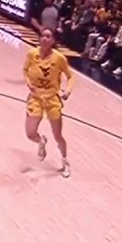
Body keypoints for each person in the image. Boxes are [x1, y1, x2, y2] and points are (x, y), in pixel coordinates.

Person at [23, 28, 75, 177]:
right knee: (30, 133)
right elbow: (25, 70)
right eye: (43, 36)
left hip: (52, 99)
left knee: (58, 135)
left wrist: (68, 90)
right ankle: (41, 141)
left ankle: (65, 162)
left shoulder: (59, 58)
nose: (44, 38)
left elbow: (70, 77)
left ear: (53, 40)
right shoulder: (31, 54)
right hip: (35, 98)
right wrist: (28, 83)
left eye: (48, 36)